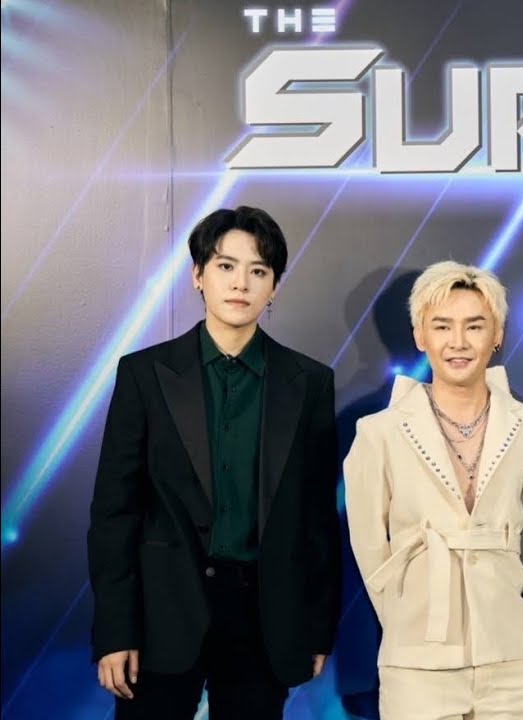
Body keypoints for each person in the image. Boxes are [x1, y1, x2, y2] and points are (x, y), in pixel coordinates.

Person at [88, 206, 340, 719]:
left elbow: (317, 517)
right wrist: (115, 630)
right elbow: (114, 512)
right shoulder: (144, 374)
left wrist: (317, 627)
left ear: (274, 287)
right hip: (161, 614)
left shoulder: (309, 382)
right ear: (198, 275)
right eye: (226, 266)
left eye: (258, 270)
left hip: (263, 617)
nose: (241, 283)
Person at [344, 261, 523, 719]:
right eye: (442, 326)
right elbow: (371, 551)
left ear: (497, 335)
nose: (458, 342)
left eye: (474, 326)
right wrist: (408, 619)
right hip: (416, 662)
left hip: (508, 658)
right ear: (420, 335)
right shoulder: (378, 432)